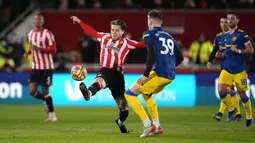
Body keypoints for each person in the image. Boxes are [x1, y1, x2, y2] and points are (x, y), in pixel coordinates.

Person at [70, 16, 146, 133]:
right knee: (100, 81)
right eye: (112, 30)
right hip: (105, 71)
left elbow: (143, 45)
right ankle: (88, 93)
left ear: (122, 31)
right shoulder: (104, 37)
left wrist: (157, 42)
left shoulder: (127, 43)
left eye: (116, 30)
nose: (114, 32)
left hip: (118, 77)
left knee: (123, 107)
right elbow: (91, 31)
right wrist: (80, 21)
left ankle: (120, 122)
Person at [124, 9, 184, 137]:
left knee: (129, 94)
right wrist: (170, 67)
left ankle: (147, 125)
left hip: (159, 73)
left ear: (150, 21)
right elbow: (180, 58)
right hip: (170, 75)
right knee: (147, 94)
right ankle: (157, 126)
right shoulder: (169, 37)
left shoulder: (148, 34)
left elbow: (151, 54)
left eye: (147, 20)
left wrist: (145, 74)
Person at [217, 11, 254, 127]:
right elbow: (227, 51)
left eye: (232, 19)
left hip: (239, 70)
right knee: (221, 91)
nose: (230, 21)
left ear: (237, 20)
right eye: (228, 19)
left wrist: (238, 50)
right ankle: (232, 108)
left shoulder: (242, 35)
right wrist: (221, 54)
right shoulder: (226, 36)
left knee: (242, 94)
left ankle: (249, 116)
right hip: (226, 69)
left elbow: (250, 50)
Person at [23, 14, 57, 122]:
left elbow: (54, 49)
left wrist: (40, 49)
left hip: (47, 67)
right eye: (35, 19)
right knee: (32, 91)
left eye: (38, 19)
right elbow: (33, 47)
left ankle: (52, 115)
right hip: (36, 67)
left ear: (42, 22)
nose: (36, 21)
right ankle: (46, 101)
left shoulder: (48, 34)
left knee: (45, 90)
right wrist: (28, 52)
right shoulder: (31, 34)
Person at [207, 16, 242, 122]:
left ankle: (222, 112)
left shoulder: (235, 35)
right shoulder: (218, 37)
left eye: (225, 22)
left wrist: (222, 54)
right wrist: (210, 60)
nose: (223, 24)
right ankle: (237, 113)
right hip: (224, 67)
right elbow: (214, 50)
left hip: (234, 67)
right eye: (221, 22)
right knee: (229, 90)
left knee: (227, 89)